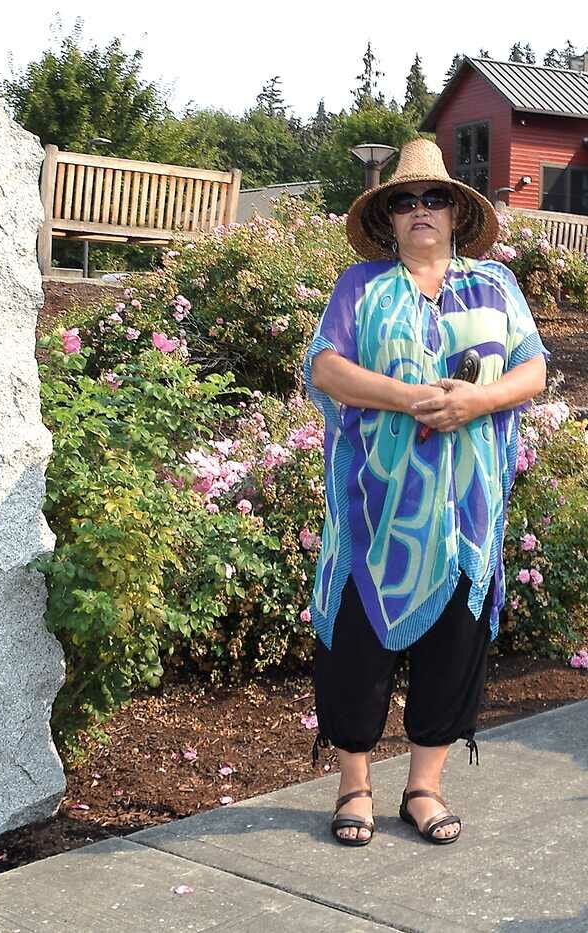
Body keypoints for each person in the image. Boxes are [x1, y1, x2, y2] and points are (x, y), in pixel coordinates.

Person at [302, 138, 549, 846]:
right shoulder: (361, 287)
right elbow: (327, 369)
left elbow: (531, 371)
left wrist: (476, 403)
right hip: (373, 511)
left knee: (453, 645)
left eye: (432, 199)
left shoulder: (496, 288)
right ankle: (354, 785)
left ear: (454, 212)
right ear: (388, 218)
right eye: (404, 201)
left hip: (467, 512)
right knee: (355, 643)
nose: (419, 211)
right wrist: (412, 398)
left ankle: (424, 785)